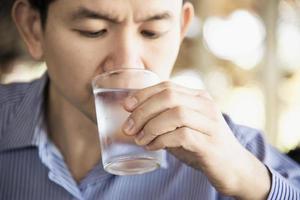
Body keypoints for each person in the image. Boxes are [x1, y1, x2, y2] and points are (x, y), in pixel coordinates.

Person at [0, 0, 299, 199]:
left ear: (181, 29)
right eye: (93, 31)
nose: (128, 63)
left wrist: (252, 181)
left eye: (152, 32)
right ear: (33, 28)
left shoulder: (234, 150)